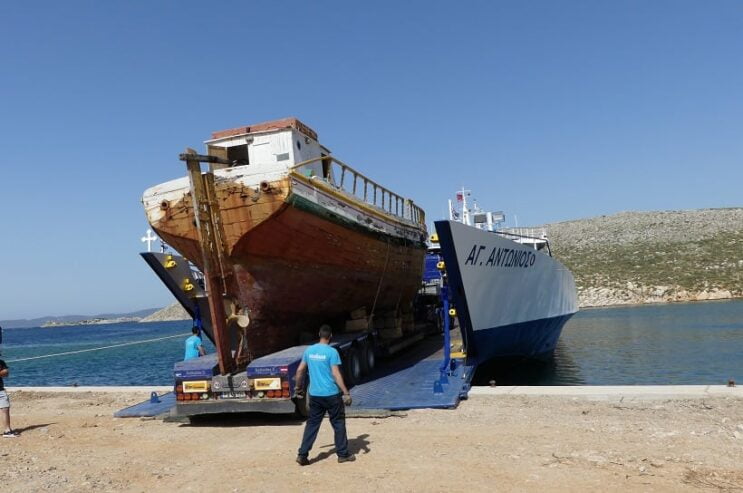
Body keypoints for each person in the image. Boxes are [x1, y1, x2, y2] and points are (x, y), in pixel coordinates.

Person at [295, 325, 355, 465]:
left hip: (315, 395)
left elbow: (300, 371)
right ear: (331, 336)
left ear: (319, 334)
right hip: (332, 395)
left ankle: (302, 455)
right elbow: (335, 373)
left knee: (312, 424)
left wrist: (298, 387)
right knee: (338, 423)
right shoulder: (332, 352)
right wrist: (346, 392)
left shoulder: (309, 351)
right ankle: (342, 455)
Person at [0, 350, 19, 438]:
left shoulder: (1, 362)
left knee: (5, 409)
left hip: (0, 390)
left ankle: (7, 431)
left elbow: (6, 373)